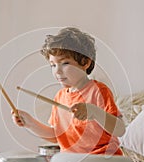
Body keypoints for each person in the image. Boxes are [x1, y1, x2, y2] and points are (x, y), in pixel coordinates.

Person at [12, 27, 125, 155]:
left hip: (103, 158)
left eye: (65, 63)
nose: (57, 71)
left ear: (85, 63)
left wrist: (93, 111)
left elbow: (120, 130)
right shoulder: (60, 97)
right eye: (53, 65)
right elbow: (56, 136)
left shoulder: (98, 91)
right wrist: (30, 123)